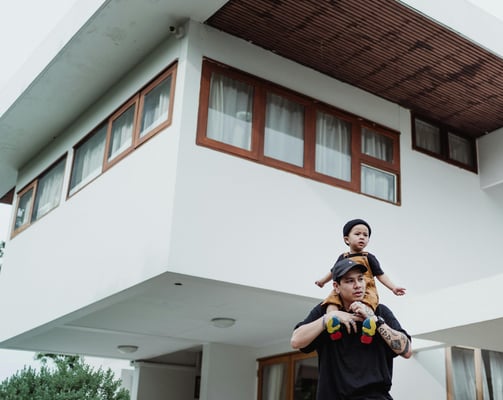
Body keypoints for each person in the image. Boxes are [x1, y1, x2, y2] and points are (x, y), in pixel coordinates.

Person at [292, 258, 412, 399]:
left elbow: (406, 351)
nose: (358, 285)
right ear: (336, 286)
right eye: (350, 281)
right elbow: (296, 341)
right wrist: (328, 318)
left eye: (360, 279)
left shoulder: (380, 311)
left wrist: (374, 320)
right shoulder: (325, 310)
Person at [315, 219, 405, 341]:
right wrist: (322, 281)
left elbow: (380, 275)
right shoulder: (342, 257)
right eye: (357, 234)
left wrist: (393, 287)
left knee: (366, 305)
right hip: (344, 290)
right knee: (331, 301)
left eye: (365, 235)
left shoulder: (369, 257)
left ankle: (368, 328)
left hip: (367, 289)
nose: (362, 237)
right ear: (347, 239)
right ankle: (332, 323)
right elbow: (333, 272)